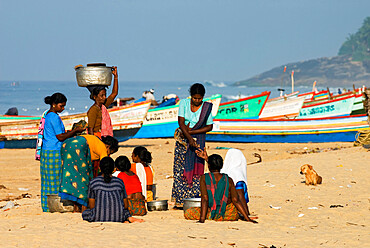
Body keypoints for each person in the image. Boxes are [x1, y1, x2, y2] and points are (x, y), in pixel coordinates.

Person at [39, 93, 85, 212]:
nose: (63, 108)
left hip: (47, 151)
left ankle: (46, 205)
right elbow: (60, 136)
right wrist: (75, 131)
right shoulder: (53, 117)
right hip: (53, 151)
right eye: (61, 106)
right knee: (55, 180)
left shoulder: (48, 115)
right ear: (54, 104)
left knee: (47, 180)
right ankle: (52, 206)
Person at [171, 83, 213, 208]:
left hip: (198, 139)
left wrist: (192, 133)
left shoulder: (206, 107)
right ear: (191, 96)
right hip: (183, 140)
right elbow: (181, 122)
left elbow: (209, 126)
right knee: (180, 169)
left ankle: (195, 198)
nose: (197, 101)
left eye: (199, 98)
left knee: (196, 170)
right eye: (195, 98)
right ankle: (180, 200)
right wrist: (189, 138)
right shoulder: (184, 103)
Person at [184, 154, 257, 223]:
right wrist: (247, 218)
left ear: (208, 166)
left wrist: (202, 219)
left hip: (211, 211)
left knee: (188, 212)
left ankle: (212, 216)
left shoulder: (204, 178)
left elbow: (205, 198)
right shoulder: (228, 179)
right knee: (234, 212)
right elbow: (236, 200)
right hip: (228, 214)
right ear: (221, 166)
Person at [58, 135, 119, 211]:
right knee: (83, 179)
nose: (108, 154)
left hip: (66, 144)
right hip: (78, 145)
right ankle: (84, 207)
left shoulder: (95, 142)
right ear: (108, 147)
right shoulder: (102, 147)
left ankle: (76, 206)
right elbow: (105, 164)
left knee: (72, 176)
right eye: (110, 152)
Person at [82, 157, 144, 223]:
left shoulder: (93, 182)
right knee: (124, 211)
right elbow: (125, 205)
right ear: (113, 169)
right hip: (118, 217)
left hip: (98, 217)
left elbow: (92, 206)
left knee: (85, 213)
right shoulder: (119, 182)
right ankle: (128, 217)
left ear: (100, 168)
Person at [87, 66, 118, 138]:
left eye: (105, 95)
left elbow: (114, 93)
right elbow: (90, 129)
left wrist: (115, 76)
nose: (104, 97)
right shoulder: (93, 110)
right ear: (95, 97)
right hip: (97, 136)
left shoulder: (103, 106)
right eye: (102, 95)